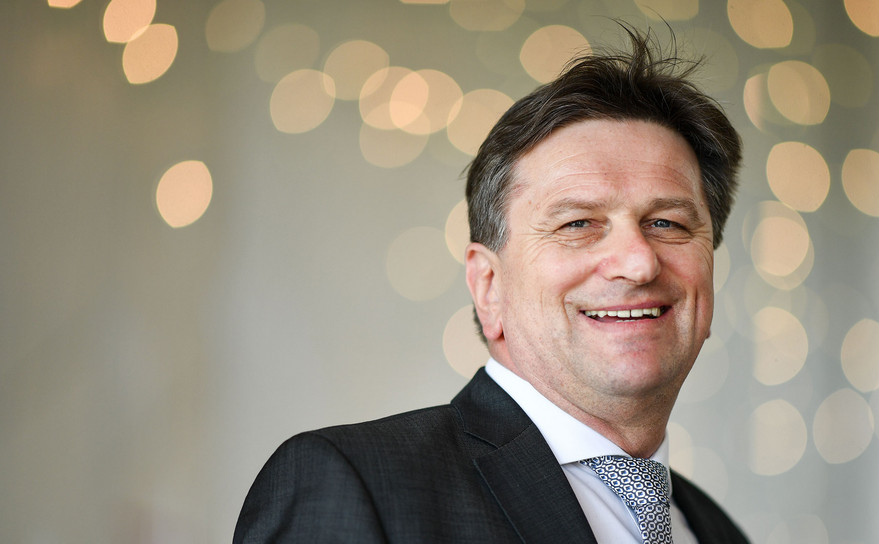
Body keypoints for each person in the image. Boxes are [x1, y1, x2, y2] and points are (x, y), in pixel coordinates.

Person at [234, 27, 747, 544]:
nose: (638, 263)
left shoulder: (717, 531)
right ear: (489, 286)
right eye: (577, 223)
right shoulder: (352, 482)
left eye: (667, 223)